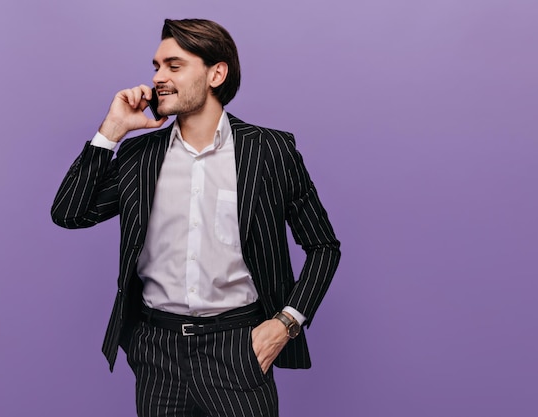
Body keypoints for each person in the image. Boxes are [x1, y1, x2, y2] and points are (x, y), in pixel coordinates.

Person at [51, 18, 340, 417]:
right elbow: (69, 213)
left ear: (215, 73)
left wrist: (285, 324)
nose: (158, 78)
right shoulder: (140, 156)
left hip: (237, 349)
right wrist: (112, 130)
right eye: (156, 67)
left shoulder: (270, 151)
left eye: (174, 65)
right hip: (156, 352)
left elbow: (324, 246)